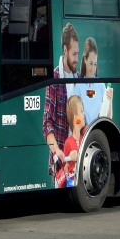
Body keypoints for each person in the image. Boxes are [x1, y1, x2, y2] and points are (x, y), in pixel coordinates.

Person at [43, 22, 80, 181]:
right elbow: (47, 122)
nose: (76, 59)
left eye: (78, 54)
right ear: (65, 50)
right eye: (73, 54)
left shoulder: (79, 78)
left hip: (78, 159)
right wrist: (56, 150)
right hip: (61, 162)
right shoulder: (54, 80)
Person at [56, 95, 87, 187]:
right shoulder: (68, 143)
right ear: (76, 118)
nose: (84, 113)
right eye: (81, 110)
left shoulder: (86, 137)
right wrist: (69, 159)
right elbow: (65, 171)